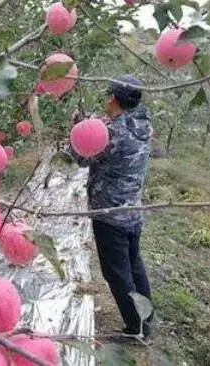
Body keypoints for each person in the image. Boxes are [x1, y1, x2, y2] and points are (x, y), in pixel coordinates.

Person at [70, 75, 154, 343]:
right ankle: (147, 317)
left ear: (113, 99)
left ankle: (136, 329)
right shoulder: (142, 124)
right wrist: (97, 125)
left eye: (108, 96)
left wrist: (80, 129)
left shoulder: (112, 133)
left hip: (110, 214)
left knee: (117, 273)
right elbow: (112, 132)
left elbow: (80, 157)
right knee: (134, 266)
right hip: (132, 211)